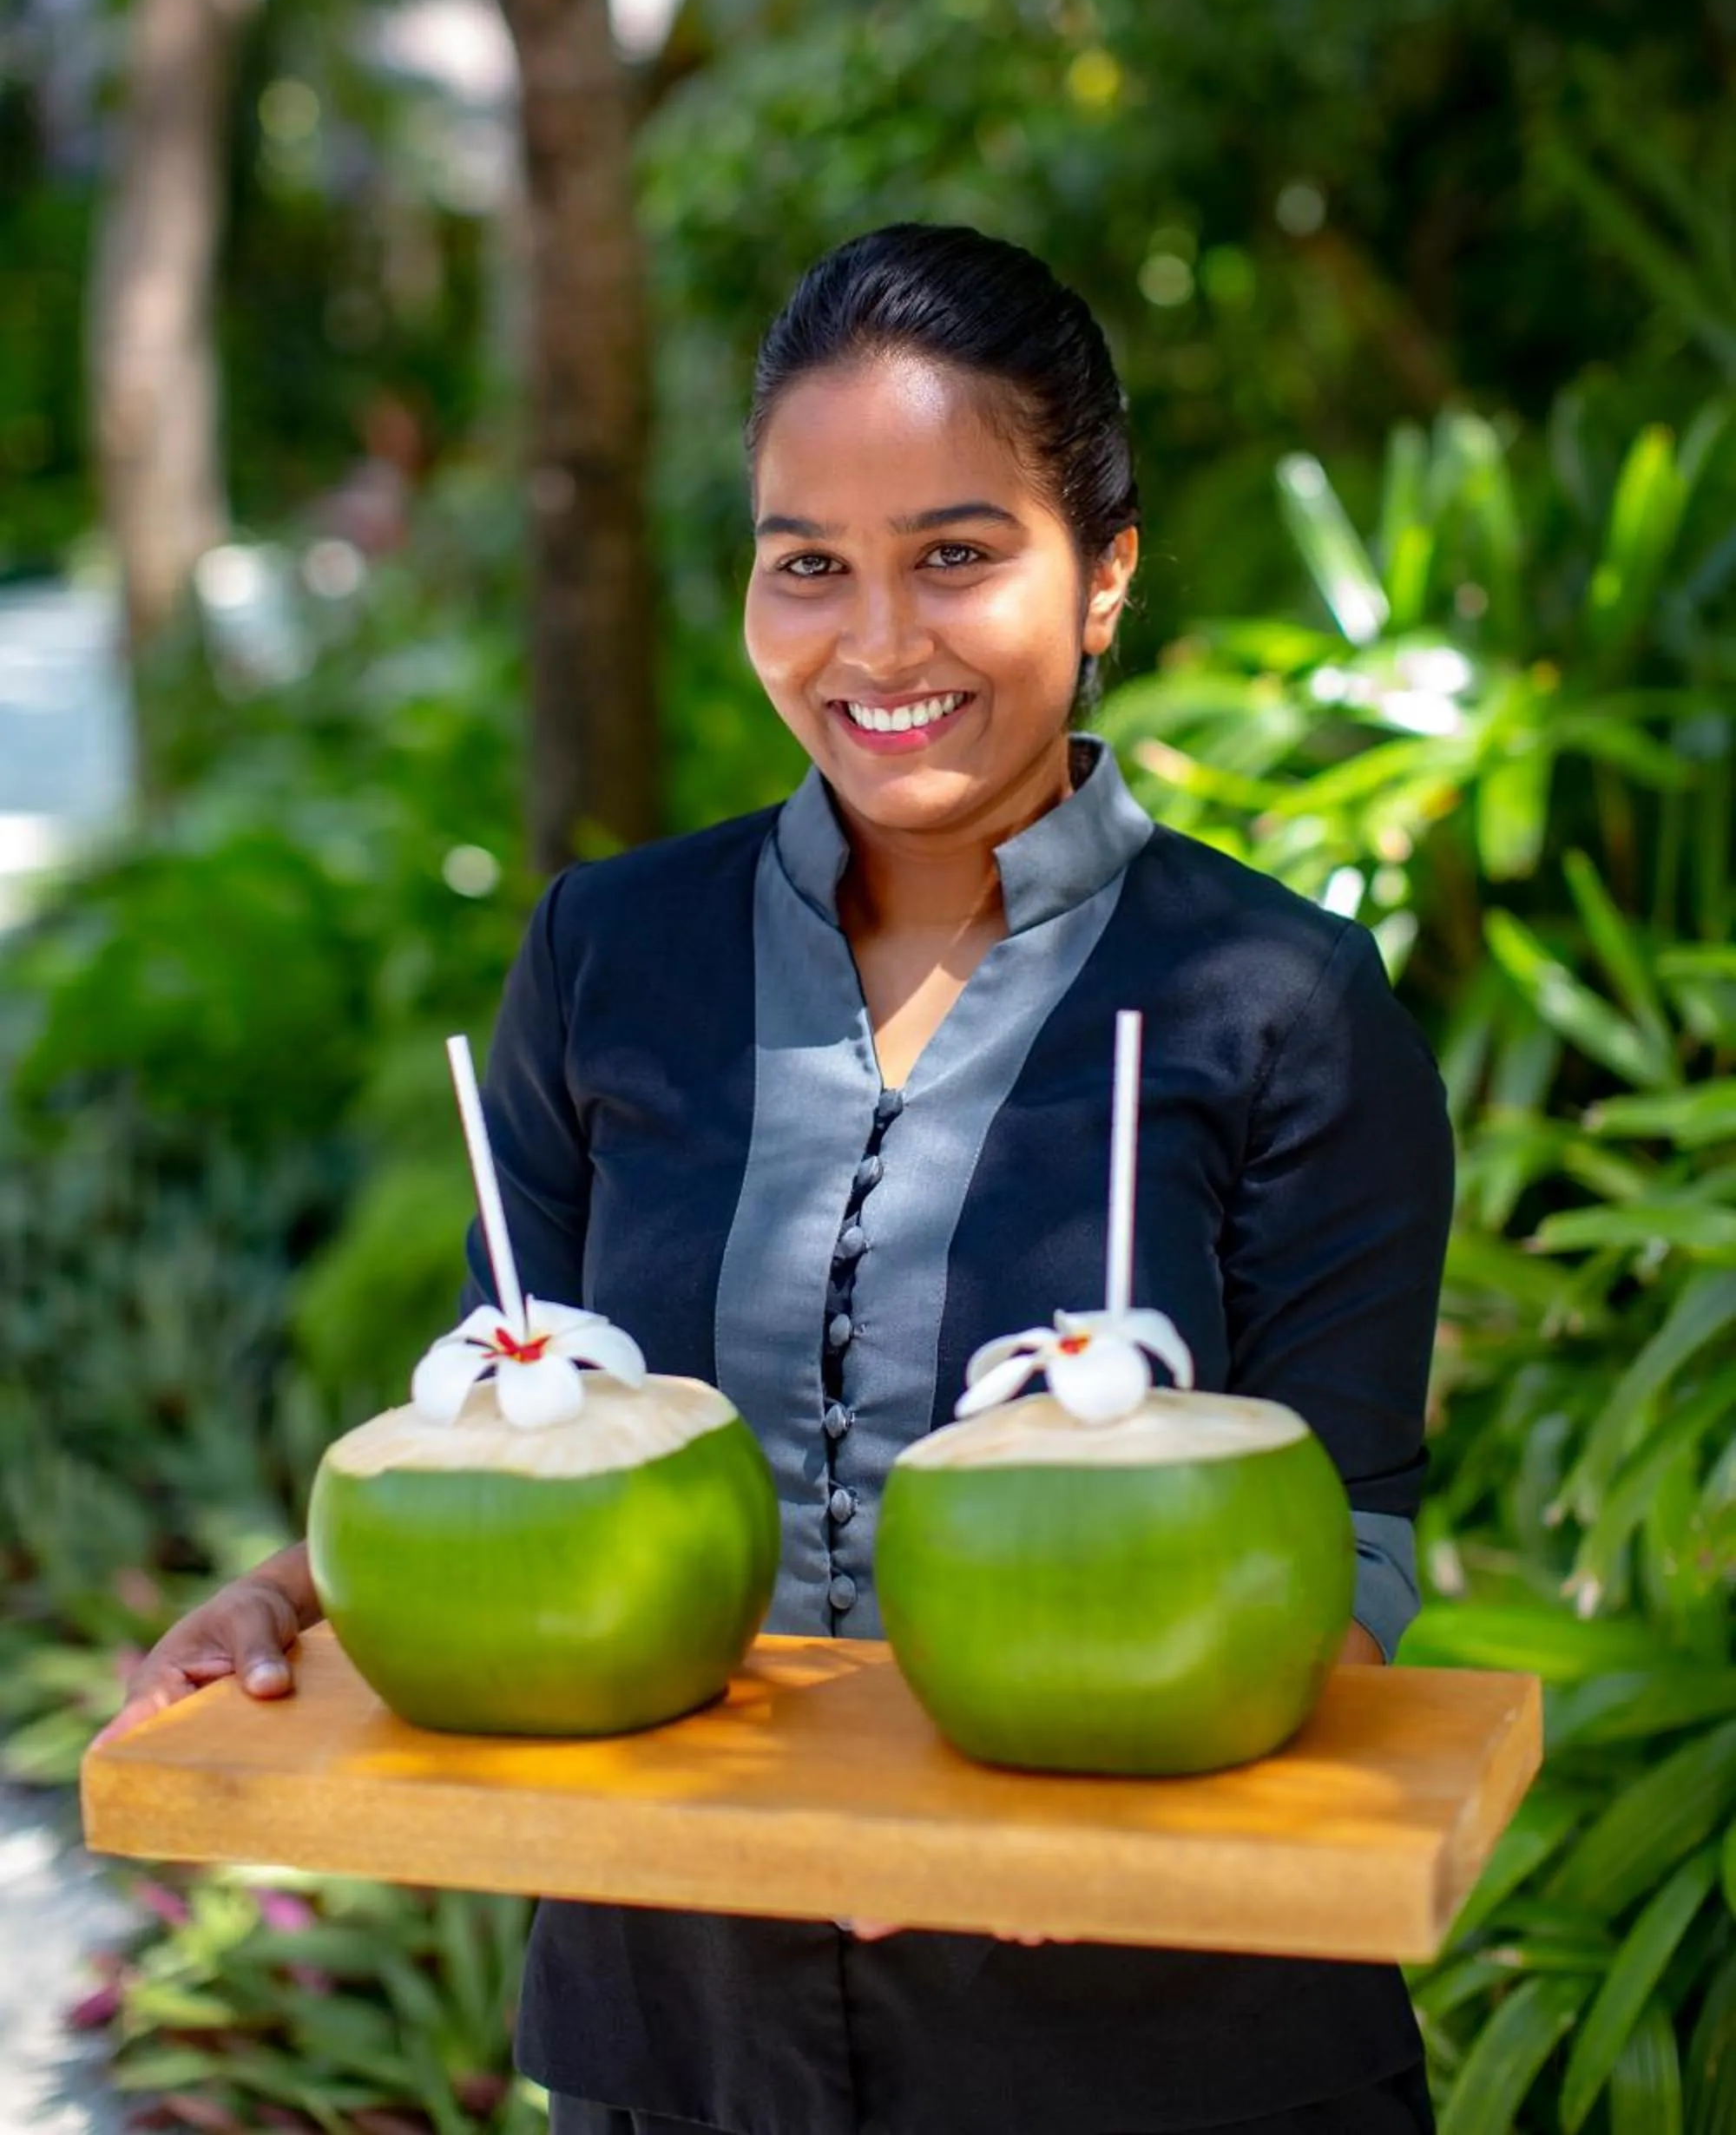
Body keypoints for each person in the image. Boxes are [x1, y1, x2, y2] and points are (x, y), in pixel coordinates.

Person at [106, 225, 1454, 2135]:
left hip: (1162, 2056)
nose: (878, 640)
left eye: (958, 555)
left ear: (1107, 577)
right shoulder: (608, 957)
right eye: (807, 563)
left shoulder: (1278, 1005)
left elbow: (1356, 1553)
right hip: (682, 2035)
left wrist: (1054, 1833)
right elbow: (522, 1412)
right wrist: (279, 1605)